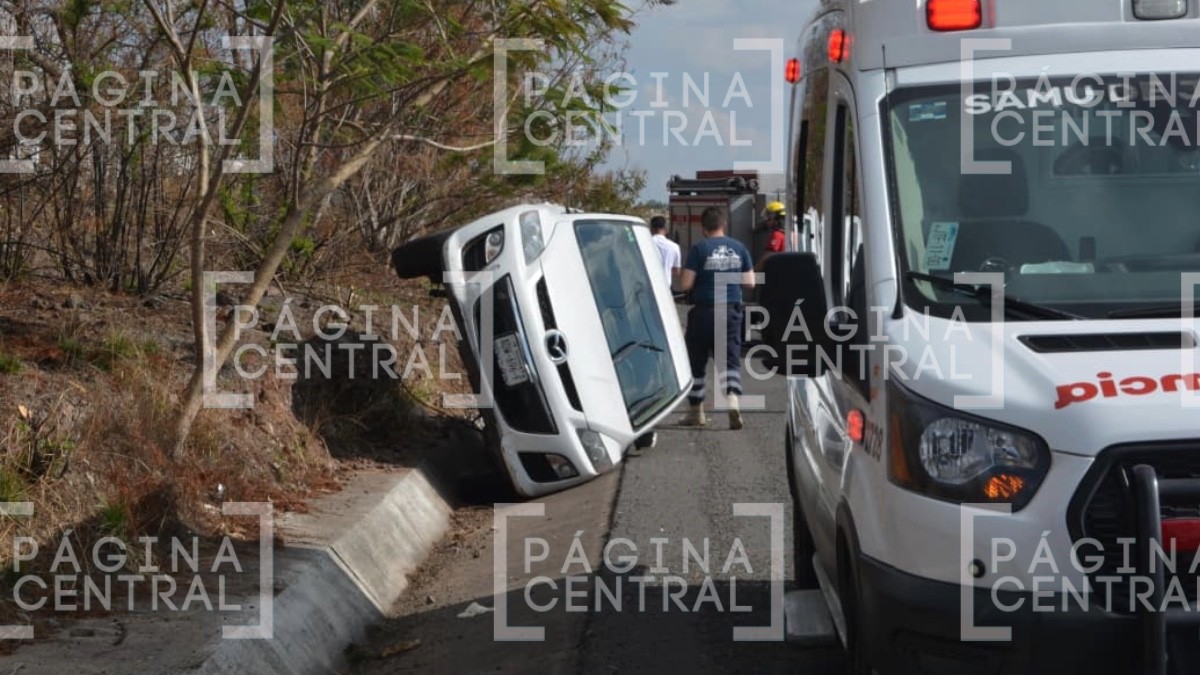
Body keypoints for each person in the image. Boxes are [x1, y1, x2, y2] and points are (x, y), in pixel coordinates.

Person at [678, 207, 755, 429]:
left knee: (697, 361)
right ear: (724, 225)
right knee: (730, 358)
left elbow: (685, 284)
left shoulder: (699, 249)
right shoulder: (739, 248)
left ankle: (697, 413)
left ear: (703, 228)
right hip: (730, 312)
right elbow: (750, 282)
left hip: (703, 312)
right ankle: (732, 398)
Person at [650, 215, 681, 290]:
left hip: (649, 285)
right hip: (665, 286)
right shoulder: (674, 246)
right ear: (665, 229)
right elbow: (677, 271)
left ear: (651, 228)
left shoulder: (645, 243)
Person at [756, 201, 789, 272]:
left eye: (769, 218)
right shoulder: (788, 234)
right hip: (783, 272)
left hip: (774, 275)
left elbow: (767, 257)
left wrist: (755, 270)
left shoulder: (777, 235)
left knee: (736, 279)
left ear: (776, 218)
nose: (767, 221)